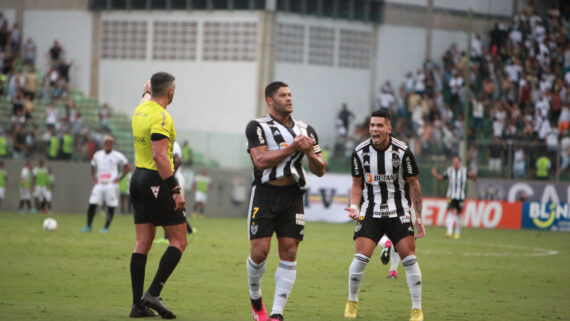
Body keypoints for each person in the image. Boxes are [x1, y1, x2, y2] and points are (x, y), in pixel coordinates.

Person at [245, 81, 326, 321]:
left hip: (293, 196)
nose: (289, 98)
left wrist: (310, 152)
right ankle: (255, 296)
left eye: (290, 94)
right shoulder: (257, 127)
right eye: (283, 95)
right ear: (270, 100)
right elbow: (260, 161)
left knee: (289, 251)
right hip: (265, 194)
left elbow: (320, 169)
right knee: (260, 252)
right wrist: (292, 148)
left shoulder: (306, 129)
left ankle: (277, 313)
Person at [344, 110, 425, 321]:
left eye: (379, 126)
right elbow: (356, 184)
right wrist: (354, 205)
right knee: (360, 257)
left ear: (388, 128)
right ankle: (352, 301)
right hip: (370, 211)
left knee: (409, 257)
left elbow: (414, 184)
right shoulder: (360, 153)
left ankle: (416, 309)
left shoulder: (403, 152)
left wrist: (419, 216)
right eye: (372, 125)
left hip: (398, 211)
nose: (374, 129)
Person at [129, 72, 187, 319]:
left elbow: (145, 99)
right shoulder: (163, 118)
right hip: (156, 181)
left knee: (143, 241)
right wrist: (175, 190)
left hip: (137, 178)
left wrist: (146, 92)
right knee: (179, 240)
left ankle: (137, 306)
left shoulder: (140, 109)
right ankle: (153, 293)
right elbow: (160, 156)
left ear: (150, 90)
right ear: (171, 92)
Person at [81, 135, 130, 233]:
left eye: (110, 143)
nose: (107, 145)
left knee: (111, 206)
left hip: (111, 184)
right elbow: (92, 165)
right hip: (99, 183)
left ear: (112, 144)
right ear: (103, 144)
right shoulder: (98, 155)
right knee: (92, 203)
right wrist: (94, 178)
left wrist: (119, 178)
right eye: (106, 143)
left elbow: (127, 167)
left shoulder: (118, 155)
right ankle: (88, 225)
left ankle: (106, 227)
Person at [431, 156, 476, 239]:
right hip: (451, 196)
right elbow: (442, 178)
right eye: (453, 162)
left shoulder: (465, 171)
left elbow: (474, 179)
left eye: (456, 162)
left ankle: (457, 233)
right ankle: (449, 232)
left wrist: (474, 175)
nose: (454, 163)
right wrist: (435, 174)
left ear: (460, 162)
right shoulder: (449, 170)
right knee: (450, 212)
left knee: (459, 215)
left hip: (460, 196)